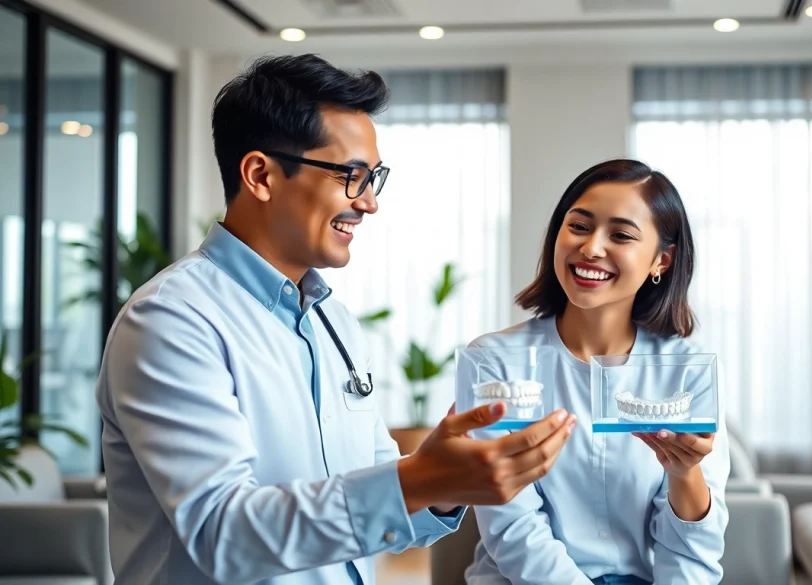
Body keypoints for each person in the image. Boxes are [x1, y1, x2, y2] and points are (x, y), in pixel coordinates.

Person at [94, 54, 576, 585]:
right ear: (260, 175)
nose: (368, 203)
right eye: (351, 176)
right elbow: (222, 533)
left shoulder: (334, 324)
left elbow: (374, 500)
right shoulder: (171, 320)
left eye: (374, 179)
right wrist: (415, 478)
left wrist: (441, 483)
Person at [462, 159, 731, 585]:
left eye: (621, 235)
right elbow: (513, 529)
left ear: (661, 260)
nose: (591, 248)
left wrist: (684, 474)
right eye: (579, 226)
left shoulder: (686, 371)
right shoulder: (494, 361)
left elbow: (693, 553)